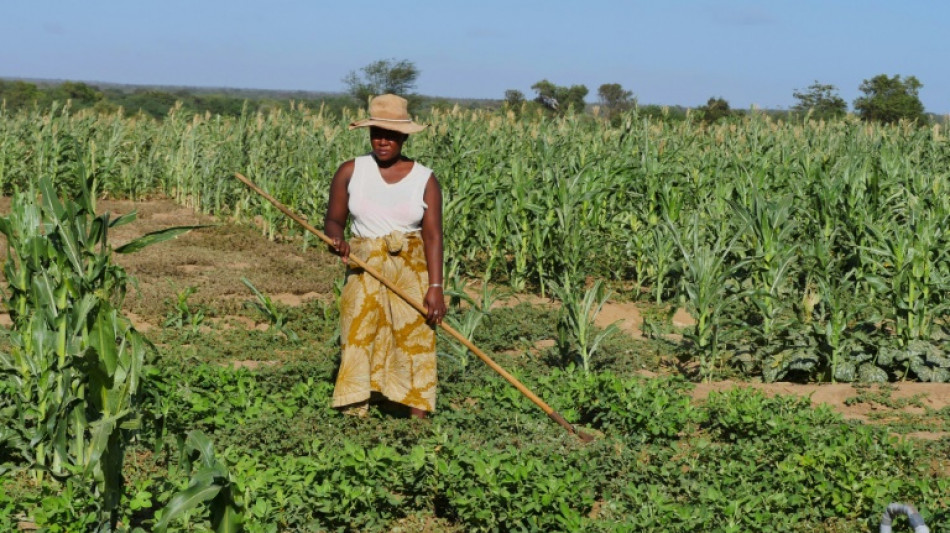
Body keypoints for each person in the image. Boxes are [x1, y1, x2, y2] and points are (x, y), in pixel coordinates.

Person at [323, 94, 446, 419]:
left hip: (411, 271)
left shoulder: (425, 179)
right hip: (364, 268)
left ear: (404, 136)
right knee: (358, 336)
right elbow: (333, 220)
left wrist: (435, 286)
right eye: (377, 132)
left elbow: (433, 236)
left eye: (390, 134)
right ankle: (355, 411)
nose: (382, 141)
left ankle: (416, 420)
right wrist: (336, 238)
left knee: (415, 340)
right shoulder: (351, 171)